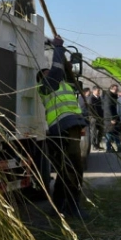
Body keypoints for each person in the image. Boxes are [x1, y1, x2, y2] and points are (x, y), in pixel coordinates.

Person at [37, 35, 87, 218]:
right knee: (74, 170)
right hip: (62, 129)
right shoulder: (46, 85)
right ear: (41, 78)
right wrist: (58, 48)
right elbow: (57, 71)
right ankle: (73, 208)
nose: (48, 72)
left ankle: (58, 208)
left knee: (66, 171)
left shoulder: (63, 83)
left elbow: (64, 70)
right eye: (45, 72)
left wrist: (61, 52)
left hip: (68, 127)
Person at [102, 84, 121, 153]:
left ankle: (119, 147)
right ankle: (108, 148)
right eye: (115, 89)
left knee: (115, 133)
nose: (116, 91)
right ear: (111, 88)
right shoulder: (108, 97)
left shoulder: (113, 96)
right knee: (109, 133)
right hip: (110, 118)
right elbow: (108, 108)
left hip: (114, 117)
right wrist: (112, 118)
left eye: (117, 89)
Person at [89, 86, 104, 151]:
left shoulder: (99, 98)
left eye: (99, 91)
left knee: (101, 131)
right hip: (94, 118)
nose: (99, 92)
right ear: (94, 91)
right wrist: (94, 116)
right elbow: (90, 109)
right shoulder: (91, 99)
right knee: (94, 132)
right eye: (98, 91)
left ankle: (98, 144)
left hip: (100, 117)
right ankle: (94, 145)